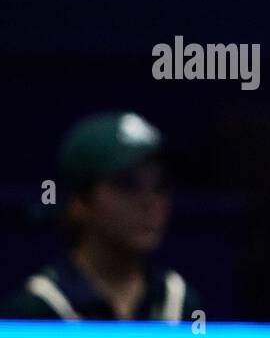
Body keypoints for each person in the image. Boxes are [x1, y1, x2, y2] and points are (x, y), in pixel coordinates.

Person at [0, 111, 200, 322]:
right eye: (127, 184)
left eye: (160, 186)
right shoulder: (33, 311)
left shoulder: (181, 304)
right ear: (79, 202)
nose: (150, 202)